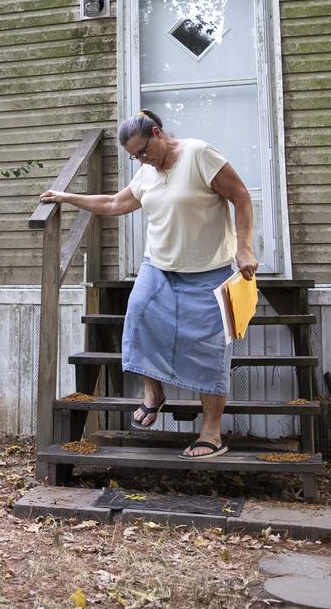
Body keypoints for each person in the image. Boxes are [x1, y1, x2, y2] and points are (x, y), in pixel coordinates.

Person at [39, 109, 258, 459]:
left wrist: (245, 248)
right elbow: (113, 203)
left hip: (208, 270)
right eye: (134, 156)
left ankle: (211, 432)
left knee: (210, 349)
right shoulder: (147, 172)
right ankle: (153, 393)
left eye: (143, 151)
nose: (141, 159)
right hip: (158, 265)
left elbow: (241, 196)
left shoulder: (199, 155)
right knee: (138, 320)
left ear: (157, 133)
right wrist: (67, 197)